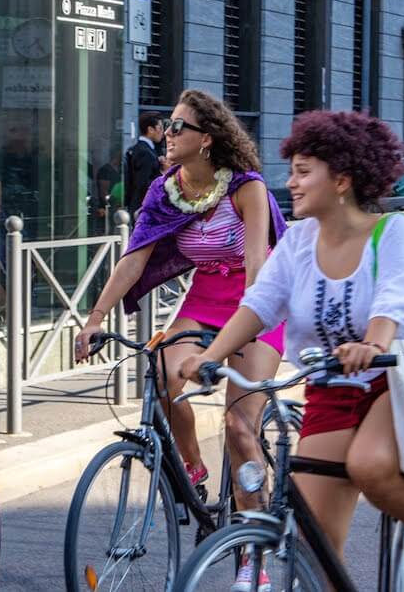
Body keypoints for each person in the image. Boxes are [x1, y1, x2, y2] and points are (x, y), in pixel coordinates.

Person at [180, 110, 404, 592]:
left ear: (341, 179)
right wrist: (212, 356)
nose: (289, 183)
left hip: (389, 384)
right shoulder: (298, 242)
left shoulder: (390, 232)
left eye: (302, 171)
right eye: (291, 171)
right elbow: (260, 304)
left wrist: (372, 343)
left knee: (370, 465)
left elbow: (396, 301)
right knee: (316, 551)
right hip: (328, 390)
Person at [74, 89, 288, 587]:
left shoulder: (246, 188)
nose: (165, 134)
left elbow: (258, 264)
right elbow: (135, 256)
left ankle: (252, 560)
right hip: (206, 301)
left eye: (176, 127)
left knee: (239, 429)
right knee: (166, 372)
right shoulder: (163, 189)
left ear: (206, 139)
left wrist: (244, 326)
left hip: (258, 305)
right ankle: (192, 466)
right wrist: (96, 316)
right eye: (167, 127)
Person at [123, 111, 168, 216]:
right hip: (143, 208)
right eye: (160, 128)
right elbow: (144, 184)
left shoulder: (142, 149)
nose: (163, 132)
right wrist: (163, 173)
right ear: (150, 130)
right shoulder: (144, 152)